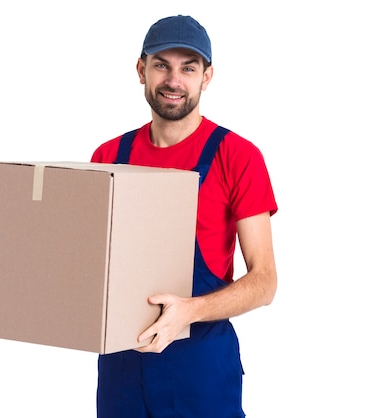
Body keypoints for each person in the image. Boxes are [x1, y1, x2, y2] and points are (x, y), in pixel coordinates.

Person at [90, 14, 278, 418]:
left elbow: (265, 281)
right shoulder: (107, 158)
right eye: (162, 65)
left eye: (188, 68)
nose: (174, 80)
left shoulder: (237, 156)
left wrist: (188, 312)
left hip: (201, 371)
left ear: (206, 77)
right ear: (141, 70)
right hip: (122, 369)